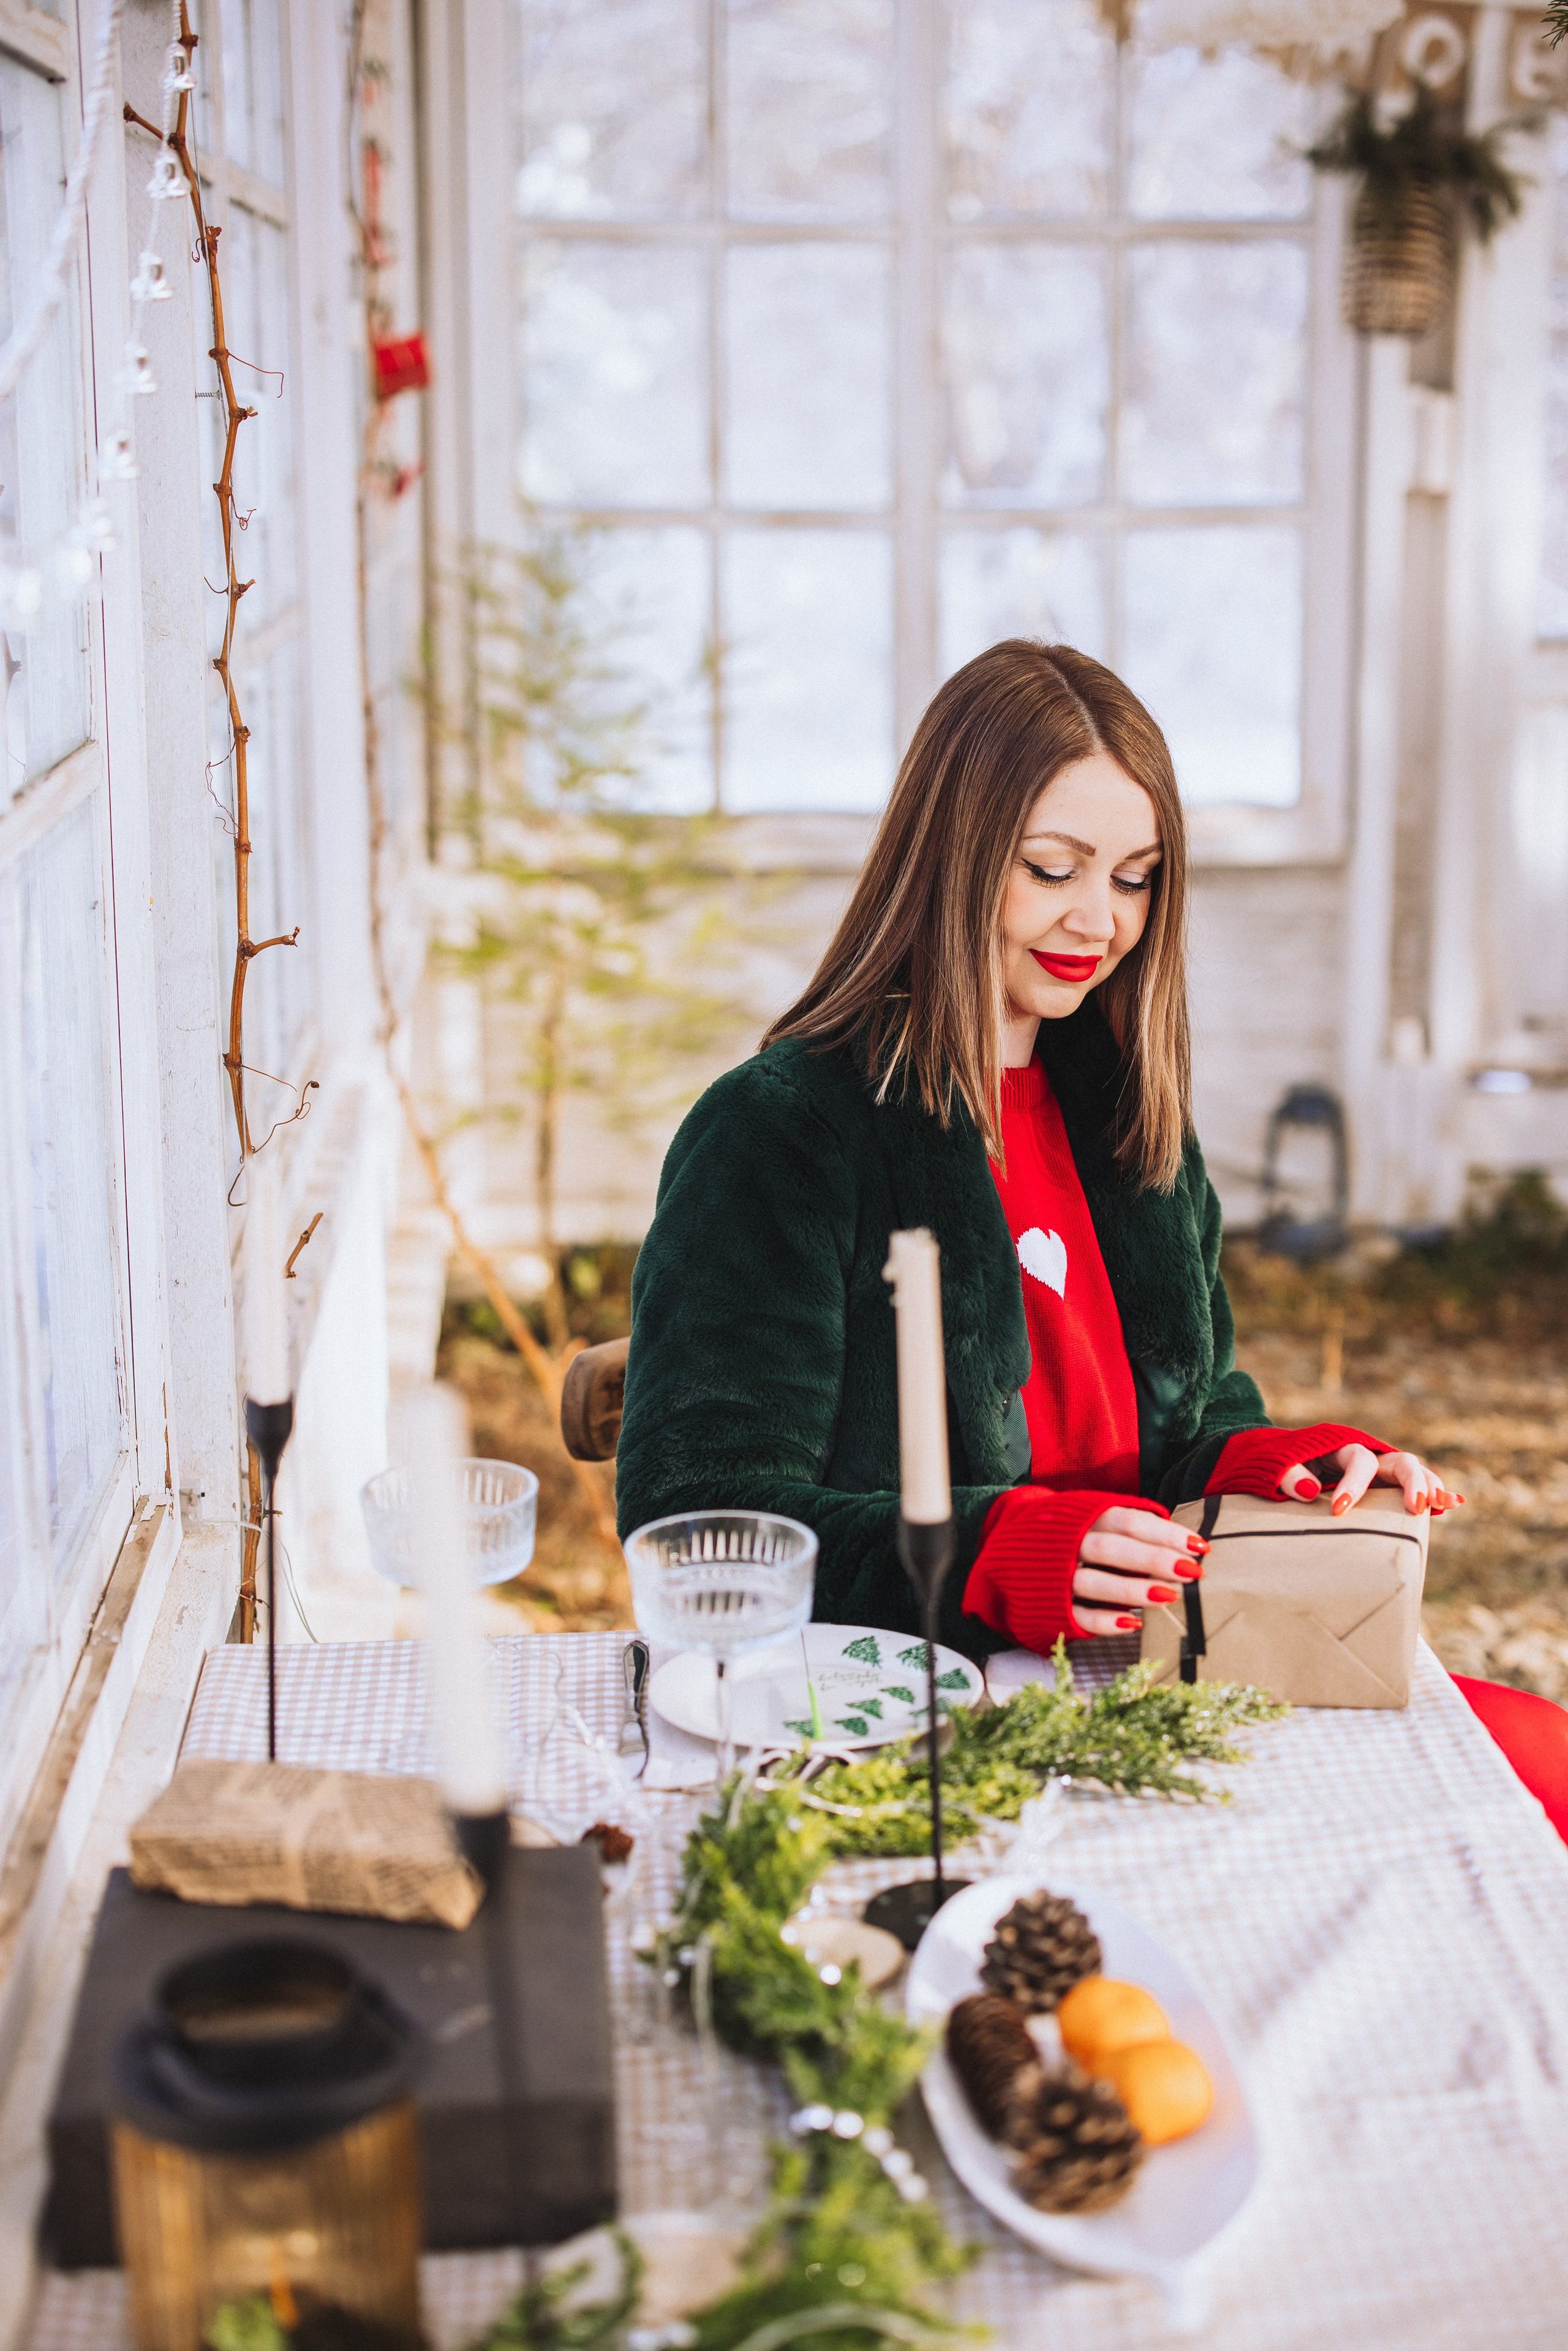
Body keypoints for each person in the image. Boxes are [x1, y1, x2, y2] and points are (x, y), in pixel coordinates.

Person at [616, 641, 1457, 1662]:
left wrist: (1265, 1462)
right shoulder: (785, 1130)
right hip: (911, 1703)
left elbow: (1179, 1427)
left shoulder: (1130, 1119)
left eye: (1136, 880)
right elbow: (703, 1521)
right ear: (952, 854)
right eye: (1051, 868)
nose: (1099, 921)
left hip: (1151, 1667)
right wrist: (987, 1549)